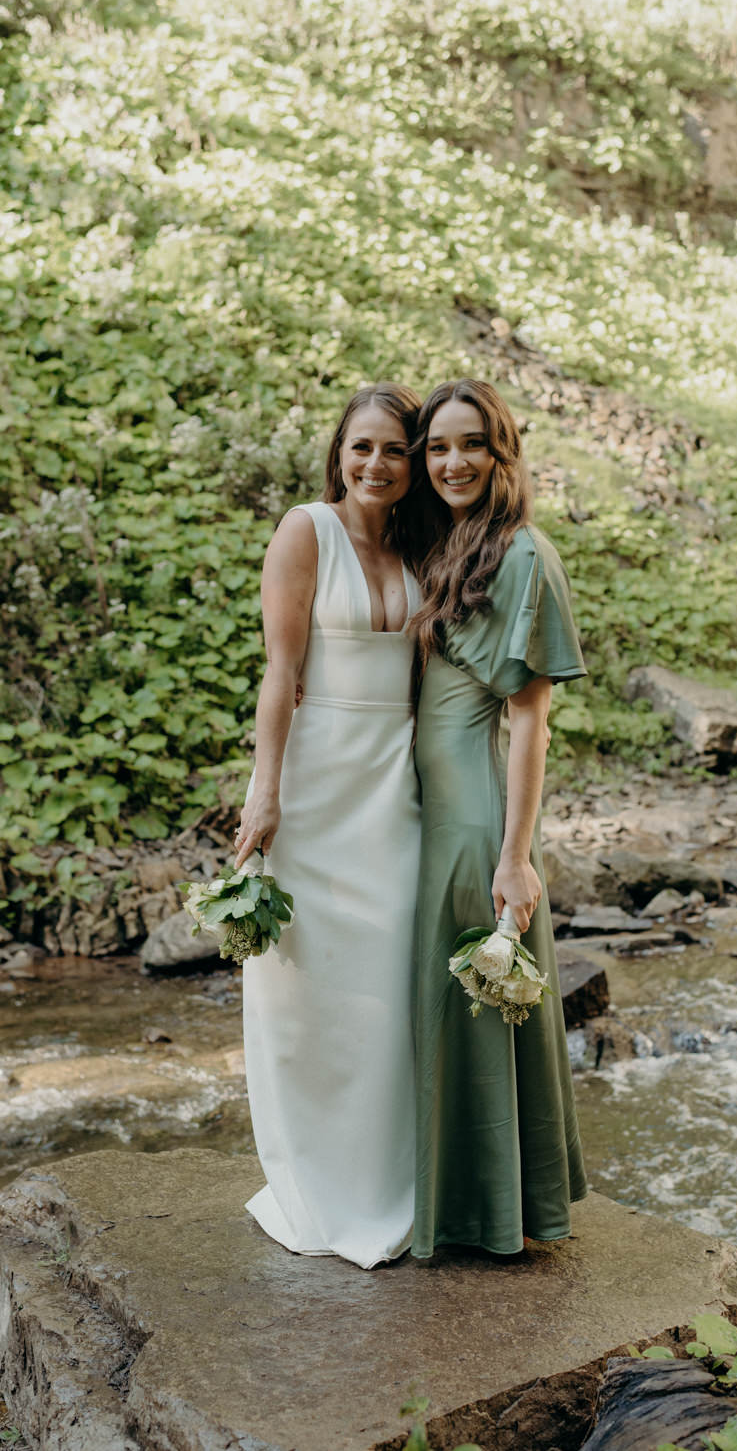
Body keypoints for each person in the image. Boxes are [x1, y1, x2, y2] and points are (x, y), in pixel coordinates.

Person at [233, 382, 424, 1269]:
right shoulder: (305, 530)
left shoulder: (430, 544)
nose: (376, 464)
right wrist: (266, 789)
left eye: (394, 449)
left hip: (396, 783)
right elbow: (281, 671)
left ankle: (393, 1187)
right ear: (338, 454)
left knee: (388, 991)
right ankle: (315, 1190)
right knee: (302, 989)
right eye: (362, 447)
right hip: (316, 780)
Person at [409, 377, 588, 1258]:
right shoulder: (452, 544)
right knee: (450, 1017)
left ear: (502, 451)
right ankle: (462, 1204)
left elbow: (529, 720)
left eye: (470, 444)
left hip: (478, 820)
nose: (452, 462)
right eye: (437, 447)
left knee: (475, 1013)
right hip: (436, 814)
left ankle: (491, 1216)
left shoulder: (522, 556)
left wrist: (515, 857)